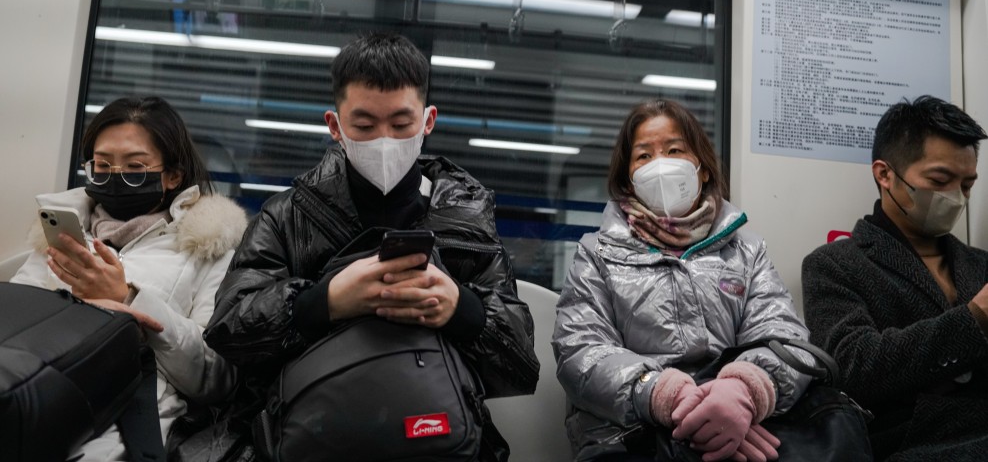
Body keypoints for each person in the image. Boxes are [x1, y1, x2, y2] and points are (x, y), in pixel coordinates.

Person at [203, 32, 539, 460]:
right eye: (364, 125)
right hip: (313, 433)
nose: (384, 140)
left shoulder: (466, 219)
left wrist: (459, 308)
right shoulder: (287, 216)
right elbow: (230, 332)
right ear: (335, 125)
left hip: (439, 435)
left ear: (428, 121)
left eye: (401, 125)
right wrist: (325, 301)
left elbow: (521, 363)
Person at [553, 99, 811, 462]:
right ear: (629, 178)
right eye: (644, 156)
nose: (660, 165)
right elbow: (579, 350)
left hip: (738, 428)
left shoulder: (746, 251)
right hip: (629, 436)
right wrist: (659, 391)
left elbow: (786, 337)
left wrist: (744, 391)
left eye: (674, 150)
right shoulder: (596, 253)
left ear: (702, 169)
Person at [10, 95, 247, 460]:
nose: (114, 178)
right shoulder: (61, 234)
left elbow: (216, 376)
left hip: (127, 411)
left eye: (135, 168)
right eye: (102, 166)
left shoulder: (209, 247)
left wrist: (129, 300)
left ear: (172, 176)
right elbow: (7, 325)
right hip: (34, 392)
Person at [802, 96, 988, 461]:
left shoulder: (979, 264)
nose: (956, 198)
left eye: (966, 185)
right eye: (940, 180)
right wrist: (973, 320)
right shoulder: (835, 265)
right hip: (913, 444)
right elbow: (853, 368)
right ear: (885, 174)